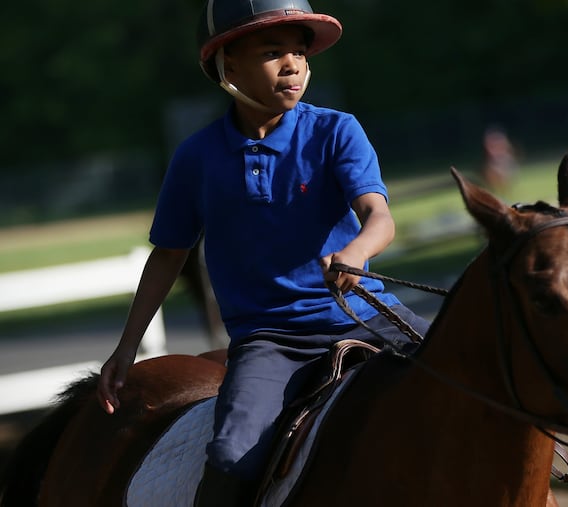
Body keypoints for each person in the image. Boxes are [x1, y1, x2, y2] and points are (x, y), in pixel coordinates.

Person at [95, 0, 430, 505]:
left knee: (472, 379)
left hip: (362, 315)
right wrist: (125, 348)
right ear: (229, 65)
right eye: (273, 52)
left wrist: (357, 251)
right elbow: (168, 256)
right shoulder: (196, 158)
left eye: (300, 52)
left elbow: (379, 217)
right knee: (233, 456)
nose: (294, 64)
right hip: (271, 341)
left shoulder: (337, 130)